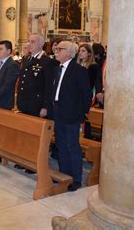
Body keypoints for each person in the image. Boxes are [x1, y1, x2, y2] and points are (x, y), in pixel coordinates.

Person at [50, 40, 92, 192]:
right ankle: (64, 176)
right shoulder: (57, 69)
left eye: (59, 49)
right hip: (58, 112)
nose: (56, 50)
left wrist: (82, 113)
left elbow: (86, 95)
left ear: (68, 53)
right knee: (61, 145)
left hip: (72, 115)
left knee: (72, 146)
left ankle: (75, 179)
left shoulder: (78, 71)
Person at [16, 34, 54, 117]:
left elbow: (49, 86)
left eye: (32, 42)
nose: (28, 44)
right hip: (23, 103)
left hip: (37, 104)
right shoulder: (26, 59)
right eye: (28, 41)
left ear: (41, 44)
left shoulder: (47, 61)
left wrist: (45, 107)